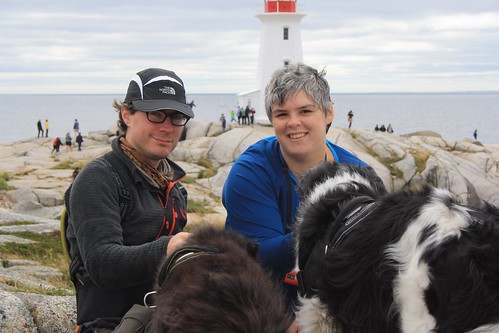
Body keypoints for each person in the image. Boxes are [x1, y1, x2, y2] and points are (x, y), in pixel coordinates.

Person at [222, 63, 370, 314]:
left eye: (305, 111)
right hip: (259, 311)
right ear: (272, 120)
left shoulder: (359, 175)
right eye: (282, 114)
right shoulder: (251, 172)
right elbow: (259, 257)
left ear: (328, 113)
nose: (293, 123)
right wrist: (329, 229)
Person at [66, 68, 193, 332]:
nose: (167, 127)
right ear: (127, 114)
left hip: (165, 319)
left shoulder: (173, 188)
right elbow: (102, 263)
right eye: (156, 114)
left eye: (177, 117)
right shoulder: (98, 179)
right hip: (110, 324)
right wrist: (170, 248)